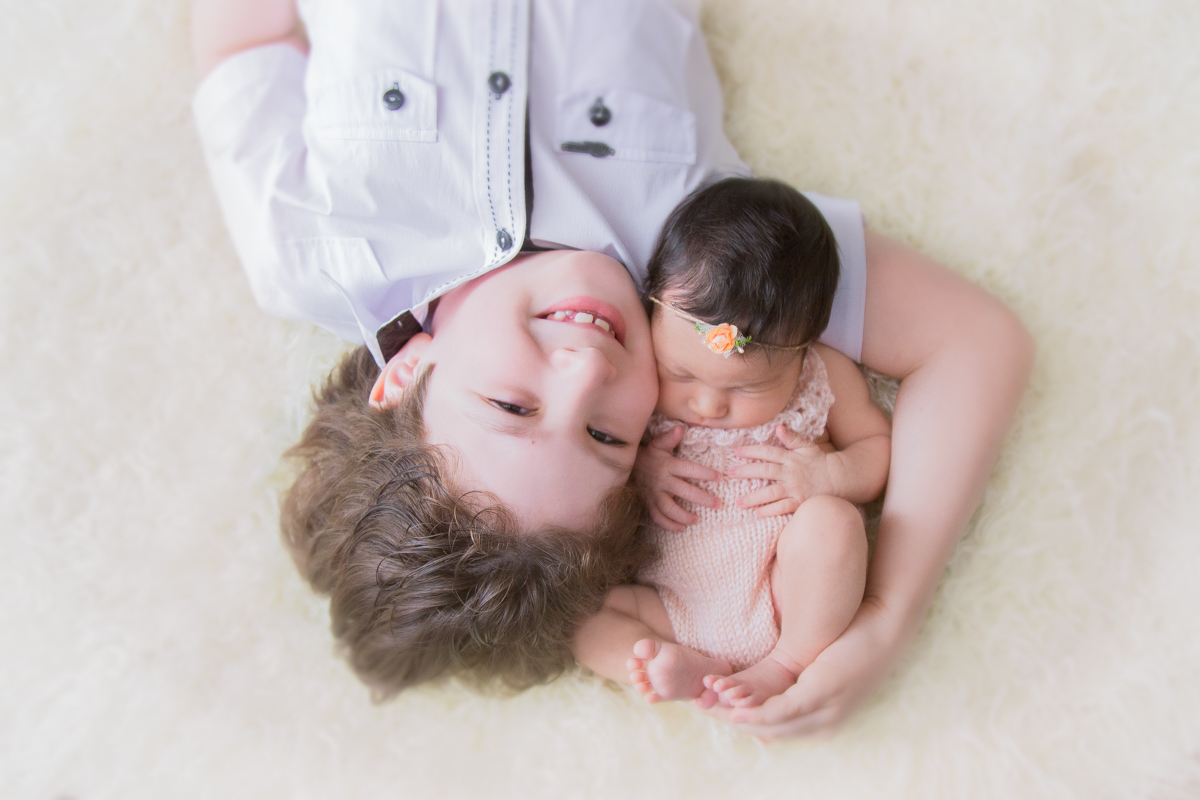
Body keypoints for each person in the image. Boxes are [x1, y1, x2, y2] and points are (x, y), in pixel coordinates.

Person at [191, 0, 1034, 736]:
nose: (585, 370)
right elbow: (974, 343)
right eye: (606, 432)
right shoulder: (705, 274)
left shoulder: (314, 253)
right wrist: (885, 617)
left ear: (405, 375)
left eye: (512, 406)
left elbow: (242, 45)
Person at [573, 177, 891, 710]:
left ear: (803, 349)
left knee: (834, 524)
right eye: (681, 375)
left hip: (783, 588)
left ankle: (788, 662)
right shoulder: (637, 369)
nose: (708, 405)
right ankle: (686, 670)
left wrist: (829, 476)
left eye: (747, 388)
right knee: (579, 620)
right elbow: (596, 453)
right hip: (671, 602)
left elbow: (876, 445)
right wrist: (641, 470)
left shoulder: (824, 374)